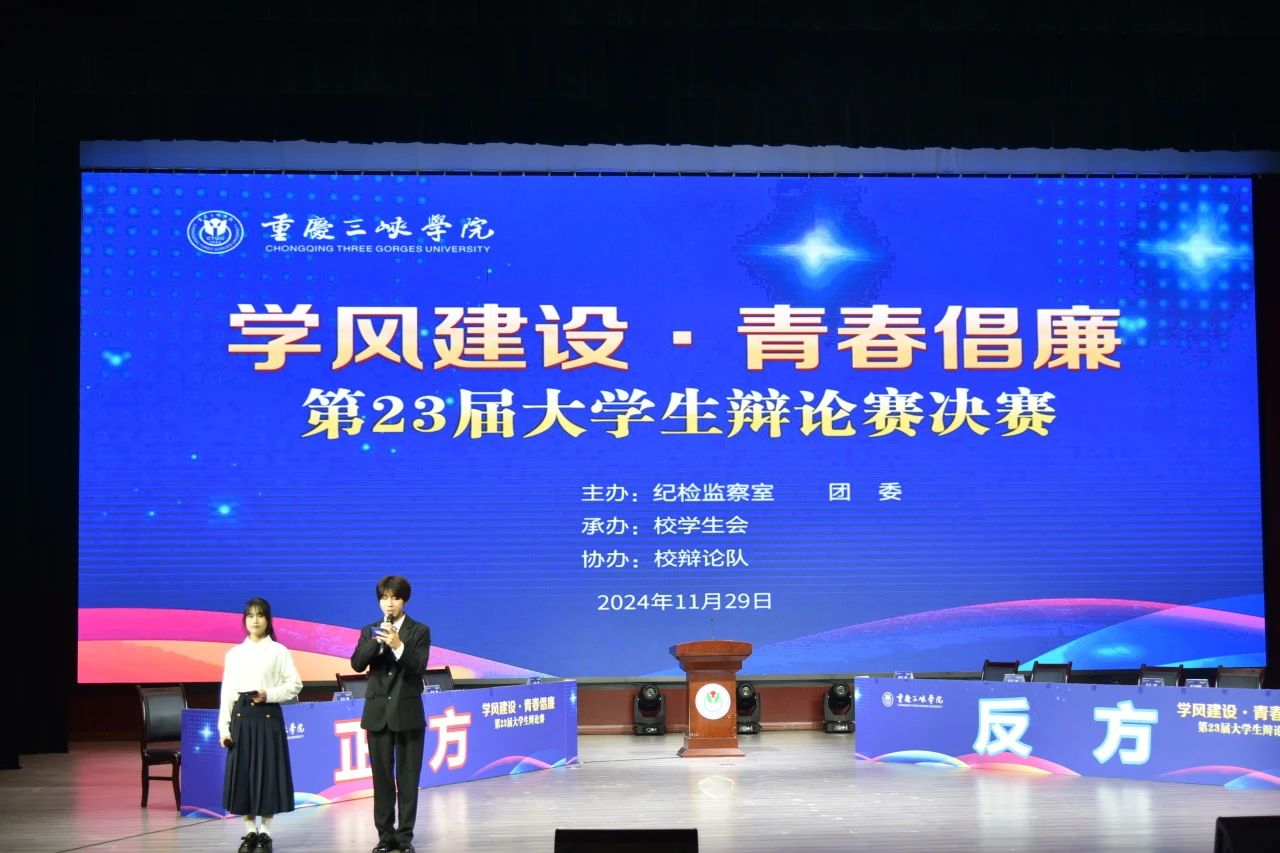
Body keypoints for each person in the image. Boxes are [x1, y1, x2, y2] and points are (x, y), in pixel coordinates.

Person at [351, 575, 431, 853]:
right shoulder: (369, 630)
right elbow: (357, 663)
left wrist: (398, 645)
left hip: (407, 713)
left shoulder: (419, 631)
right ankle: (385, 837)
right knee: (382, 780)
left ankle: (404, 837)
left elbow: (418, 667)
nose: (389, 603)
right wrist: (376, 641)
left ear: (404, 600)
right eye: (384, 598)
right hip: (377, 715)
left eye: (395, 598)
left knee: (408, 779)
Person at [218, 598, 304, 853]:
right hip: (242, 718)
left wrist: (269, 694)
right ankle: (249, 830)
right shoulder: (234, 654)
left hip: (268, 716)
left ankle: (265, 830)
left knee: (268, 772)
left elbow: (295, 685)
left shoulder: (279, 651)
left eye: (260, 615)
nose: (255, 620)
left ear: (268, 619)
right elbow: (227, 693)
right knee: (243, 774)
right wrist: (224, 729)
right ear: (244, 620)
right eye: (250, 615)